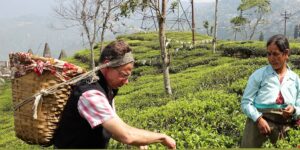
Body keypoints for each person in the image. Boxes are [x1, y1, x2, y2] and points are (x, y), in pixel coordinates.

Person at [53, 40, 176, 149]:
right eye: (123, 75)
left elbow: (115, 126)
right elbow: (126, 136)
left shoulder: (106, 88)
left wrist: (140, 139)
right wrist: (162, 138)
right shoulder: (91, 95)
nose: (126, 82)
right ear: (107, 65)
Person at [241, 34, 300, 148]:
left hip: (285, 126)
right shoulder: (258, 75)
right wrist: (258, 119)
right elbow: (246, 102)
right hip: (259, 125)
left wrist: (293, 110)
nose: (271, 58)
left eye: (276, 54)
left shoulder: (295, 79)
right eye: (269, 54)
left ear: (286, 53)